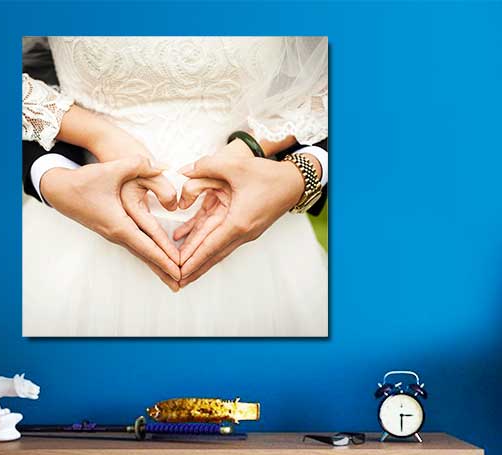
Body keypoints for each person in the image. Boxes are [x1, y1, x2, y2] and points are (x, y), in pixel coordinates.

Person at [21, 37, 329, 337]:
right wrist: (69, 162)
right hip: (76, 244)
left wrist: (300, 173)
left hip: (266, 255)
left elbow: (346, 72)